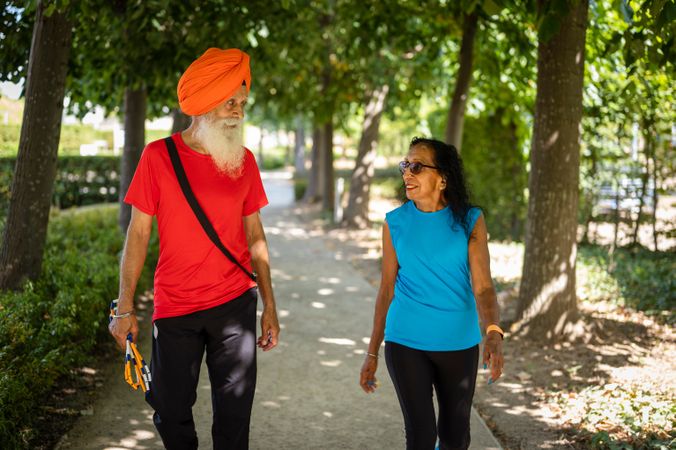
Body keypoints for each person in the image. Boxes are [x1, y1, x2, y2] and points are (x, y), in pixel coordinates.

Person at [108, 48, 280, 450]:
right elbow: (137, 236)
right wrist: (125, 306)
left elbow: (256, 235)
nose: (238, 111)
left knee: (235, 411)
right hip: (176, 305)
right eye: (229, 103)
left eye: (242, 102)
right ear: (203, 106)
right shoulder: (157, 157)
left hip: (235, 301)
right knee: (170, 407)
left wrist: (269, 304)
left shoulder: (245, 161)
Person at [359, 137, 504, 450]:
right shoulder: (394, 223)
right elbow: (386, 289)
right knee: (421, 436)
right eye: (405, 166)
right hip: (405, 341)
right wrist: (372, 352)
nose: (407, 173)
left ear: (443, 178)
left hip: (459, 343)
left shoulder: (470, 220)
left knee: (455, 437)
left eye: (417, 166)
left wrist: (493, 332)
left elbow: (483, 286)